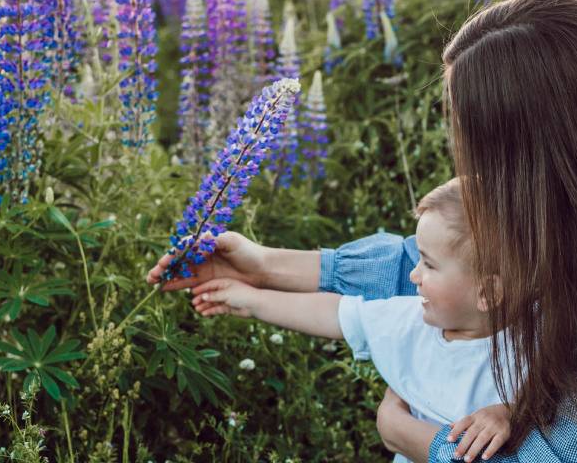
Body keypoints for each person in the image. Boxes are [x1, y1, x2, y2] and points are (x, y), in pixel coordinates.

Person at [149, 0, 577, 462]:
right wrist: (263, 265)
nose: (470, 163)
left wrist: (415, 438)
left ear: (545, 149)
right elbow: (451, 264)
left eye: (483, 147)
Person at [152, 179, 513, 463]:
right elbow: (336, 313)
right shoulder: (411, 321)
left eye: (429, 265)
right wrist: (251, 298)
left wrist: (508, 413)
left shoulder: (534, 343)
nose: (414, 276)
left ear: (488, 293)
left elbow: (551, 404)